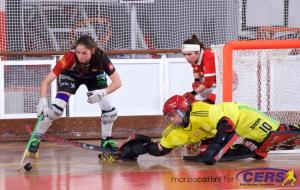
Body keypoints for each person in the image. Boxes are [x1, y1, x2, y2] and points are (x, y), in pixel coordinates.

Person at [119, 95, 300, 165]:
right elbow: (159, 150)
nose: (169, 120)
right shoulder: (174, 131)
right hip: (235, 130)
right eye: (167, 116)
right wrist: (137, 149)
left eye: (172, 115)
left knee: (279, 133)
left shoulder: (201, 110)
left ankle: (291, 130)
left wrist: (216, 147)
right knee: (259, 152)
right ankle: (256, 148)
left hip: (243, 117)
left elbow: (226, 124)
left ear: (183, 111)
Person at [28, 35, 122, 157]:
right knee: (56, 110)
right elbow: (46, 81)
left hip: (94, 76)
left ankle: (106, 141)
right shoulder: (69, 57)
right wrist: (42, 100)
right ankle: (36, 136)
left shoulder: (101, 58)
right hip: (71, 75)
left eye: (84, 53)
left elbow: (118, 82)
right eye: (78, 52)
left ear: (93, 51)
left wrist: (103, 92)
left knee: (109, 110)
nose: (80, 56)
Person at [181, 34, 216, 104]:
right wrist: (196, 81)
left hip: (226, 83)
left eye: (189, 54)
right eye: (184, 54)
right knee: (197, 100)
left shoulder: (208, 56)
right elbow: (195, 69)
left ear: (197, 52)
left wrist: (193, 93)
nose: (186, 58)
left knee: (209, 102)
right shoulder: (194, 59)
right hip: (214, 83)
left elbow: (208, 82)